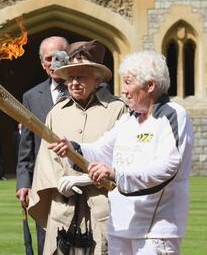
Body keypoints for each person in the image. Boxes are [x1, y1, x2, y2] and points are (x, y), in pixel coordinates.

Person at [50, 51, 194, 255]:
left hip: (156, 229)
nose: (123, 90)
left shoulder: (173, 115)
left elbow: (169, 167)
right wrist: (74, 148)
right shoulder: (129, 119)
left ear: (150, 85)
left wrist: (116, 174)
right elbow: (101, 150)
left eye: (128, 82)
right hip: (120, 226)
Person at [27, 40, 128, 255]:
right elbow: (47, 160)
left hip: (102, 208)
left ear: (97, 78)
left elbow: (123, 159)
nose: (74, 83)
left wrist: (87, 178)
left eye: (80, 77)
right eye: (70, 77)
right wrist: (59, 182)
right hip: (64, 209)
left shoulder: (118, 110)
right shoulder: (56, 113)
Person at [16, 36, 69, 254]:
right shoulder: (31, 97)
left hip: (79, 181)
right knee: (47, 246)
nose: (53, 63)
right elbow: (26, 147)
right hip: (44, 184)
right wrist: (23, 182)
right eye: (48, 58)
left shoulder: (89, 90)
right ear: (42, 63)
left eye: (59, 57)